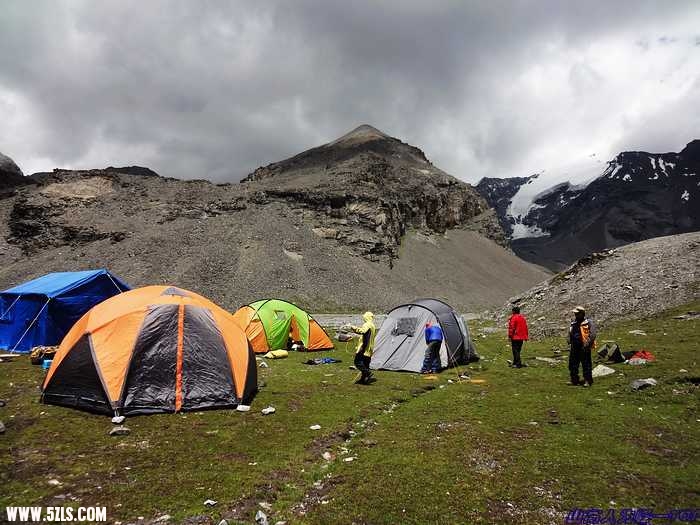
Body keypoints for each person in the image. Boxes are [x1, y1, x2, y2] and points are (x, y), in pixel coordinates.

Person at [568, 306, 597, 387]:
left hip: (584, 346)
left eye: (577, 313)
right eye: (575, 313)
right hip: (574, 346)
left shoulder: (588, 322)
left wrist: (587, 344)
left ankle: (588, 380)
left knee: (586, 364)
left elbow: (593, 334)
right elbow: (570, 332)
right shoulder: (574, 322)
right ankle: (574, 379)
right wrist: (569, 340)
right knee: (573, 364)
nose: (575, 315)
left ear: (582, 313)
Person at [350, 311, 377, 384]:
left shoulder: (367, 324)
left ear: (366, 317)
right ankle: (363, 380)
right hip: (369, 348)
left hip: (364, 347)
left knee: (357, 362)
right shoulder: (372, 325)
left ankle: (368, 373)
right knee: (365, 364)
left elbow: (362, 331)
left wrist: (353, 328)